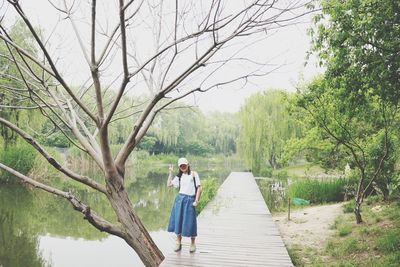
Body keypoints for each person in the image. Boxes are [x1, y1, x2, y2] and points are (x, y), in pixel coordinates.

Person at [167, 157, 202, 253]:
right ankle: (178, 242)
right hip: (180, 200)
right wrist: (170, 172)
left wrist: (196, 200)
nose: (183, 167)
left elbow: (199, 188)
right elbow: (169, 185)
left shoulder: (194, 174)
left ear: (188, 164)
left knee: (191, 222)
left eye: (184, 165)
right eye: (181, 166)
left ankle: (193, 243)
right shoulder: (179, 176)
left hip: (190, 200)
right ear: (179, 167)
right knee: (178, 220)